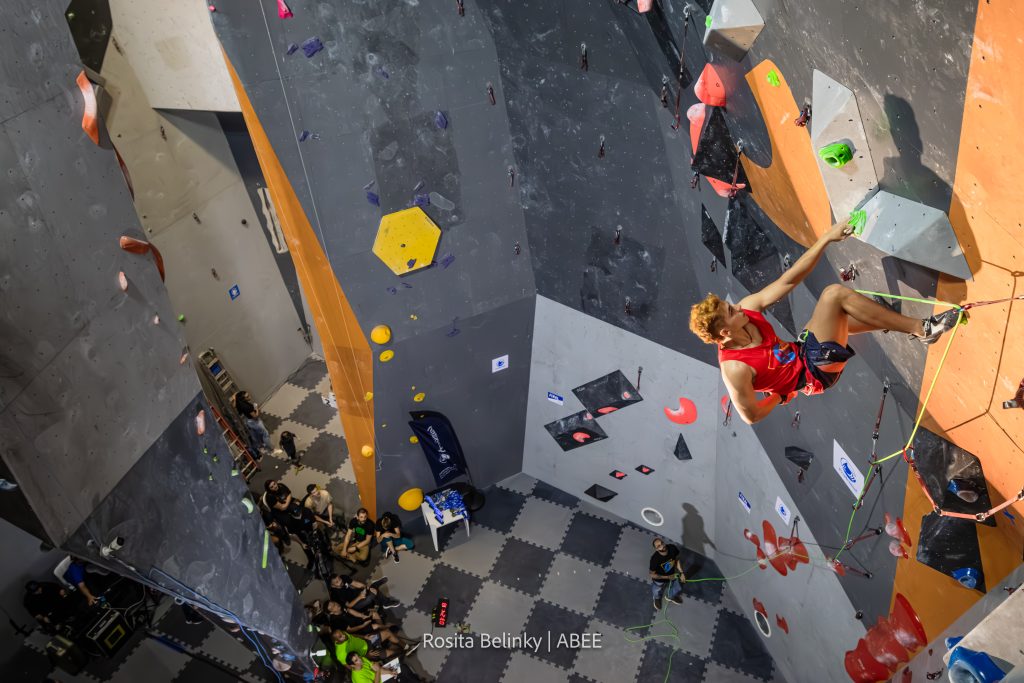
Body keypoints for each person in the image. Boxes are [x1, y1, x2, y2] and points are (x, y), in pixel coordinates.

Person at [688, 220, 965, 425]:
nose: (737, 306)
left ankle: (885, 319)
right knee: (834, 296)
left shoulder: (747, 310)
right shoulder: (735, 370)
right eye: (731, 311)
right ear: (725, 332)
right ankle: (923, 329)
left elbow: (789, 279)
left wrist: (826, 239)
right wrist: (781, 395)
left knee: (848, 315)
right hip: (813, 374)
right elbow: (751, 416)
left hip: (802, 349)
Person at [234, 390, 272, 457]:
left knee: (256, 434)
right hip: (254, 421)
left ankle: (261, 446)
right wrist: (256, 408)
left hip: (248, 421)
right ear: (243, 399)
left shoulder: (239, 404)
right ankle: (271, 448)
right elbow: (255, 416)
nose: (249, 396)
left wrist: (235, 398)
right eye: (247, 396)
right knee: (265, 433)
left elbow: (234, 403)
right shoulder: (247, 407)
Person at [649, 538, 685, 610]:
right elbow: (652, 574)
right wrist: (668, 577)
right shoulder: (654, 559)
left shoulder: (672, 548)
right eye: (659, 546)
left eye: (662, 543)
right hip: (660, 580)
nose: (662, 545)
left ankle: (670, 596)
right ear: (656, 549)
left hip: (673, 574)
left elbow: (677, 559)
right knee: (657, 590)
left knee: (678, 586)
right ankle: (657, 598)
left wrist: (681, 572)